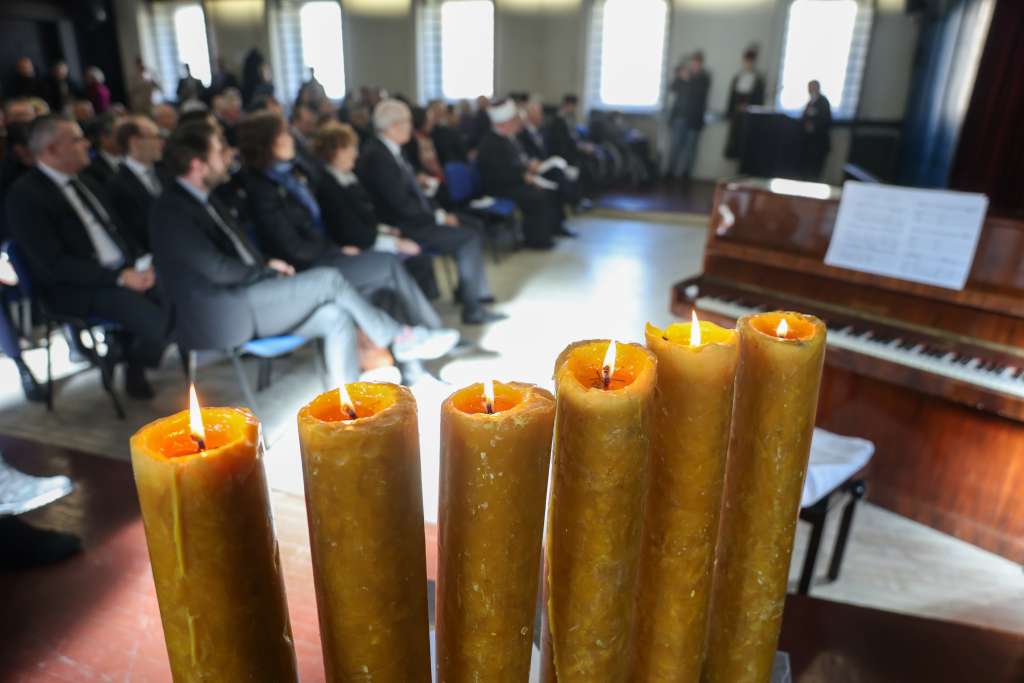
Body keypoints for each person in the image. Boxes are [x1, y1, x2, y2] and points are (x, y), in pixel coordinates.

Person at [150, 121, 457, 384]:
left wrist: (266, 267)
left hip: (247, 294)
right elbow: (215, 268)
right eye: (219, 151)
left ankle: (346, 409)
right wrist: (266, 271)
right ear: (197, 164)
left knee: (336, 317)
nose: (228, 155)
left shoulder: (208, 198)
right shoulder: (172, 211)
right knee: (328, 279)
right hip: (221, 312)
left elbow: (238, 255)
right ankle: (398, 337)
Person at [236, 112, 450, 335]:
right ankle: (430, 329)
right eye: (283, 134)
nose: (291, 139)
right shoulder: (262, 189)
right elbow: (292, 247)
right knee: (388, 264)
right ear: (266, 142)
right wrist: (336, 250)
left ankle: (413, 342)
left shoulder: (294, 174)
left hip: (325, 254)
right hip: (307, 267)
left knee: (385, 279)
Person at [5, 115, 167, 398]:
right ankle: (127, 358)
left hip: (120, 271)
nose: (87, 144)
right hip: (76, 287)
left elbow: (119, 230)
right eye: (77, 140)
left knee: (178, 295)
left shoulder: (87, 181)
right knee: (161, 322)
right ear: (53, 150)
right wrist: (119, 278)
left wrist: (142, 263)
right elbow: (54, 265)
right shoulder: (25, 196)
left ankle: (126, 355)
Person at [356, 99, 502, 325]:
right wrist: (439, 217)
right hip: (404, 226)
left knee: (473, 225)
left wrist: (435, 207)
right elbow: (400, 204)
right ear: (392, 126)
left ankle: (469, 291)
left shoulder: (391, 150)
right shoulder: (377, 156)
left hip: (415, 217)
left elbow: (409, 192)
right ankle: (473, 309)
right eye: (406, 122)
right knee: (469, 238)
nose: (410, 126)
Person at [313, 121, 438, 296]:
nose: (356, 153)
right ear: (338, 151)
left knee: (416, 252)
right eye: (352, 148)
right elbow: (350, 232)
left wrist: (385, 230)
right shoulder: (328, 187)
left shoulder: (348, 178)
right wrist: (391, 242)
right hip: (356, 247)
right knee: (417, 258)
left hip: (368, 238)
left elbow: (367, 217)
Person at [476, 99, 566, 249]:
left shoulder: (508, 138)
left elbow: (516, 162)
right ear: (504, 123)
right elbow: (497, 174)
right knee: (537, 196)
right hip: (499, 188)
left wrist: (528, 167)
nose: (517, 123)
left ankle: (550, 231)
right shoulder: (490, 143)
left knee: (549, 189)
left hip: (513, 182)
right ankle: (536, 240)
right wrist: (523, 176)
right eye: (513, 120)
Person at [108, 116, 164, 251]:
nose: (161, 142)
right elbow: (134, 232)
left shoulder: (167, 171)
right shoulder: (117, 185)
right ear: (135, 142)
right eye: (155, 137)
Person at [518, 98, 582, 210]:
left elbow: (552, 148)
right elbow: (524, 153)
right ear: (530, 116)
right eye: (538, 113)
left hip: (546, 163)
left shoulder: (543, 130)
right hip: (534, 168)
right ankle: (573, 202)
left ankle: (572, 202)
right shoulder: (522, 134)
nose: (542, 116)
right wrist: (533, 162)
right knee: (558, 174)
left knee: (565, 169)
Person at [666, 51, 711, 180]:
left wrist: (687, 79)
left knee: (691, 149)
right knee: (675, 146)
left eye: (697, 63)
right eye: (693, 62)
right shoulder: (684, 75)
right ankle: (670, 172)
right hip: (679, 118)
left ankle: (687, 174)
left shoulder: (704, 78)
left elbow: (698, 93)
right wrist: (680, 75)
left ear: (701, 64)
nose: (694, 65)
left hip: (694, 120)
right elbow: (672, 88)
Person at [724, 46, 765, 160]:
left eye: (751, 61)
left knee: (746, 143)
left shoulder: (758, 79)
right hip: (737, 115)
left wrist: (748, 107)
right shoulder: (738, 77)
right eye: (746, 61)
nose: (748, 64)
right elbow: (732, 97)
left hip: (749, 116)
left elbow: (759, 99)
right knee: (734, 141)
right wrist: (730, 113)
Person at [799, 79, 832, 181]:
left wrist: (814, 126)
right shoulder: (810, 102)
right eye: (809, 88)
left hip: (819, 144)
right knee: (806, 171)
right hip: (808, 143)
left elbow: (826, 120)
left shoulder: (823, 101)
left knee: (815, 172)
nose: (810, 90)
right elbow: (803, 117)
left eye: (812, 87)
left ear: (817, 88)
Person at [81, 112, 122, 186]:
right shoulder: (92, 170)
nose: (126, 137)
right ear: (104, 138)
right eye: (120, 133)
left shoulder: (131, 158)